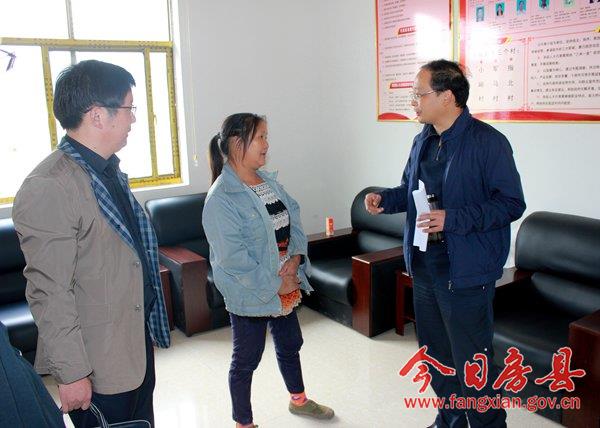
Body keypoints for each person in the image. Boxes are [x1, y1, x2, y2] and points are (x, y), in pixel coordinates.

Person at [364, 60, 525, 428]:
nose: (414, 102)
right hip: (424, 266)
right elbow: (410, 191)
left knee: (472, 363)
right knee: (436, 356)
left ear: (447, 97)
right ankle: (450, 420)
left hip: (466, 272)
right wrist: (385, 198)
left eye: (419, 94)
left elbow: (511, 204)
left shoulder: (488, 143)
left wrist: (452, 219)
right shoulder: (422, 139)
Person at [12, 60, 171, 428]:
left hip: (132, 348)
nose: (134, 119)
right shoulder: (50, 185)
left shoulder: (106, 171)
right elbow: (49, 292)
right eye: (129, 108)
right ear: (98, 115)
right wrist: (71, 374)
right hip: (97, 365)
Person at [202, 113, 334, 428]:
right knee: (246, 359)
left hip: (285, 281)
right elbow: (233, 259)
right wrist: (276, 283)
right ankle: (243, 423)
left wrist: (296, 258)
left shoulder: (268, 182)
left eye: (265, 136)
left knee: (290, 344)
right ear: (237, 143)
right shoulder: (221, 198)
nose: (266, 144)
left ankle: (298, 400)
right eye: (260, 137)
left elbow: (294, 219)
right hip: (251, 290)